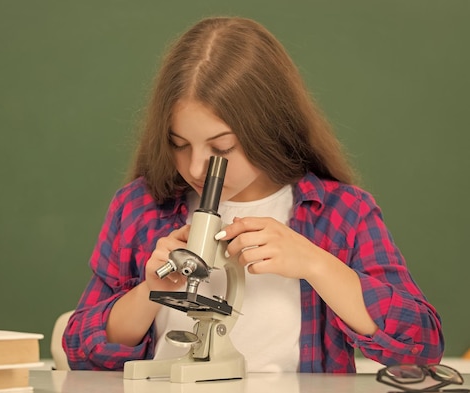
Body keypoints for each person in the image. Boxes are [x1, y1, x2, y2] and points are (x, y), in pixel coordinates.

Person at [62, 16, 444, 373]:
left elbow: (421, 346)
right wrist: (150, 292)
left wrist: (317, 264)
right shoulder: (140, 207)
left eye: (222, 148)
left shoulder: (341, 212)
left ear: (269, 130)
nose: (196, 169)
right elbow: (79, 351)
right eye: (179, 144)